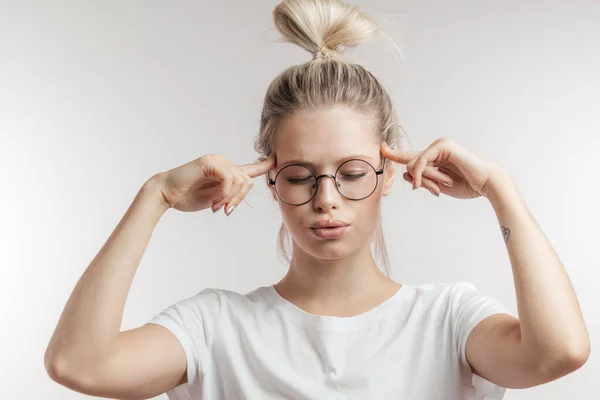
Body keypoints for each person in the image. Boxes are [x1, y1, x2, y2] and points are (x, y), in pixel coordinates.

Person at [44, 0, 590, 399]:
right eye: (301, 174)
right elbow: (78, 364)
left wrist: (501, 190)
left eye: (352, 173)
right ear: (271, 181)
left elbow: (557, 353)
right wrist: (154, 196)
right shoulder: (217, 326)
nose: (327, 199)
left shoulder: (446, 319)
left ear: (389, 173)